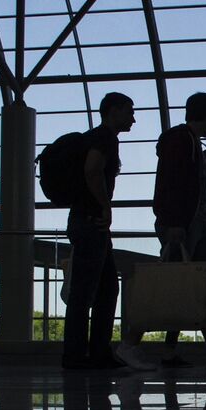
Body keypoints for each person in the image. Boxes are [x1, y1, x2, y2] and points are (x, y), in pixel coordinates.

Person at [117, 92, 206, 370]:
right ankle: (129, 344)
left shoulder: (191, 144)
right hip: (184, 226)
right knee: (181, 287)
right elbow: (173, 183)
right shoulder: (181, 142)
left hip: (192, 226)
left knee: (198, 288)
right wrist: (175, 222)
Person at [62, 92, 136, 371]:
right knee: (86, 291)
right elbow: (93, 170)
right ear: (113, 111)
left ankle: (95, 352)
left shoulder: (98, 137)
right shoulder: (104, 138)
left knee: (106, 288)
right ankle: (78, 355)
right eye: (129, 112)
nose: (133, 118)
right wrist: (105, 207)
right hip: (92, 221)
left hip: (87, 221)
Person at [160, 147, 206, 367]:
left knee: (188, 294)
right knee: (197, 293)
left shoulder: (203, 195)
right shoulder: (201, 199)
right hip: (196, 245)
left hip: (195, 240)